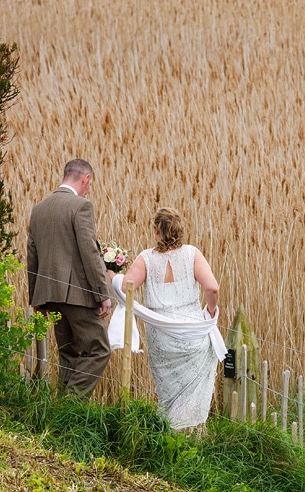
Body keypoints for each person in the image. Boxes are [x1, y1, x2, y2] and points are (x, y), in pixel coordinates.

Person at [120, 207, 221, 430]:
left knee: (168, 392)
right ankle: (191, 435)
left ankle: (168, 435)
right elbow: (212, 288)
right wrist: (211, 313)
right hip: (193, 334)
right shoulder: (192, 254)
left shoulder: (145, 258)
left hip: (161, 336)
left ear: (156, 231)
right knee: (192, 389)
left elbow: (126, 288)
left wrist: (111, 275)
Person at [27, 158, 112, 396]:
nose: (88, 190)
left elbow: (31, 254)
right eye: (89, 184)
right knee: (99, 350)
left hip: (50, 296)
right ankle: (73, 404)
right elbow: (89, 252)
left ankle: (61, 413)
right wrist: (102, 293)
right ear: (85, 178)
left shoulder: (39, 209)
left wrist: (36, 298)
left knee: (69, 353)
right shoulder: (81, 206)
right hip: (77, 296)